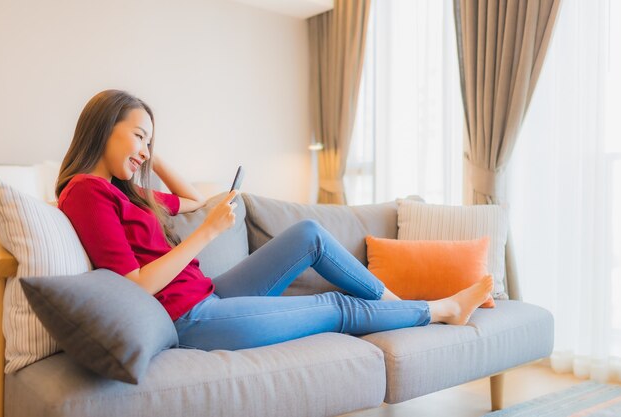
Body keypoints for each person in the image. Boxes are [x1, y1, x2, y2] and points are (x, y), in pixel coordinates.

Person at [56, 89, 493, 352]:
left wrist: (148, 146)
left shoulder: (126, 193)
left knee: (309, 236)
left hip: (210, 294)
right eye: (137, 135)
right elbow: (133, 286)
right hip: (190, 318)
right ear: (104, 125)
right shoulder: (85, 191)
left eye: (149, 142)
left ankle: (397, 305)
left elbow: (195, 200)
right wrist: (207, 234)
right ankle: (442, 309)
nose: (146, 152)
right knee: (334, 307)